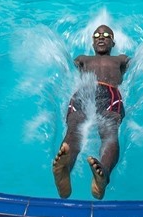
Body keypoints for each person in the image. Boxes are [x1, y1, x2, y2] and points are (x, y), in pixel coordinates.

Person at [52, 24, 130, 200]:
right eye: (96, 35)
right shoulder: (83, 59)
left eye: (106, 35)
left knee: (109, 132)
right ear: (93, 43)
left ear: (113, 42)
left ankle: (103, 174)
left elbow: (140, 63)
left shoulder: (120, 59)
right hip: (83, 92)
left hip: (109, 93)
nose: (101, 37)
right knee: (74, 129)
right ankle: (64, 171)